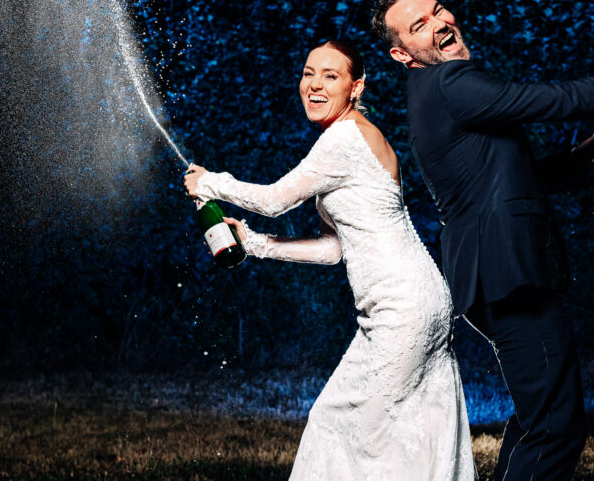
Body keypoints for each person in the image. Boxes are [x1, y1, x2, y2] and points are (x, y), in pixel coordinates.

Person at [371, 0, 594, 480]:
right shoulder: (447, 81)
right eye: (418, 26)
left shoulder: (436, 95)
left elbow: (502, 181)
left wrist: (590, 150)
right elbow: (548, 100)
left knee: (537, 420)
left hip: (495, 273)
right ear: (401, 54)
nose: (438, 23)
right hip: (507, 272)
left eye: (437, 11)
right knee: (555, 428)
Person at [183, 40, 476, 481]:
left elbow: (273, 199)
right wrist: (257, 243)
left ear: (355, 87)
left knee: (347, 430)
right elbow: (335, 248)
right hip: (416, 302)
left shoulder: (344, 138)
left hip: (401, 308)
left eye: (331, 76)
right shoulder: (357, 137)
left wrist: (211, 182)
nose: (315, 85)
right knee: (397, 430)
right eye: (308, 73)